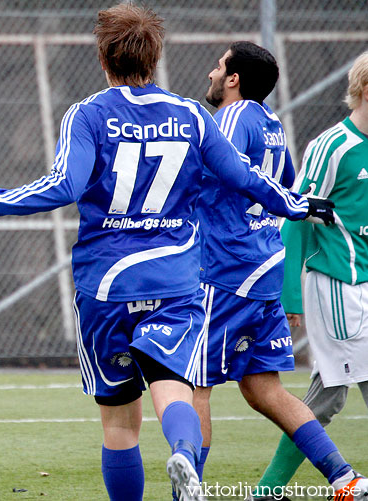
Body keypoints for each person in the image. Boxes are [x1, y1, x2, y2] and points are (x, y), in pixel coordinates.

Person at [0, 6, 334, 501]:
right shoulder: (193, 114)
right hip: (175, 282)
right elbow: (246, 179)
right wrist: (300, 205)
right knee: (173, 388)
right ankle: (181, 449)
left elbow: (64, 185)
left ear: (103, 57)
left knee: (120, 424)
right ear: (155, 57)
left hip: (106, 286)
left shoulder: (87, 114)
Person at [188, 42, 368, 501]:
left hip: (226, 267)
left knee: (196, 385)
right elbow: (286, 194)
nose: (211, 72)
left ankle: (192, 492)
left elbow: (217, 173)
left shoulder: (231, 117)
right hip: (265, 265)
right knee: (263, 389)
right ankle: (344, 478)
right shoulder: (271, 124)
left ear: (233, 80)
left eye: (219, 66)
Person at [248, 50, 368, 501]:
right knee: (331, 395)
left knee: (329, 395)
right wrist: (289, 295)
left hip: (365, 287)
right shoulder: (331, 147)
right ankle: (270, 489)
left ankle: (269, 491)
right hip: (337, 285)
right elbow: (295, 217)